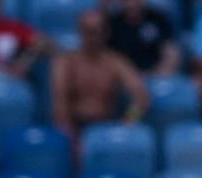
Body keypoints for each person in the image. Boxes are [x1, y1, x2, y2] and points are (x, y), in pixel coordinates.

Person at [50, 9, 149, 140]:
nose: (91, 36)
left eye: (96, 31)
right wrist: (68, 132)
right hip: (74, 127)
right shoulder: (65, 62)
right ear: (80, 31)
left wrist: (127, 123)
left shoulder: (116, 63)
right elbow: (59, 100)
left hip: (106, 129)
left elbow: (142, 97)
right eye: (87, 31)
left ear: (105, 33)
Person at [106, 0, 181, 75]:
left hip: (156, 75)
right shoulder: (113, 24)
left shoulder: (158, 19)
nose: (132, 4)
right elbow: (108, 56)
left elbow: (171, 52)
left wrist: (158, 72)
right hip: (123, 76)